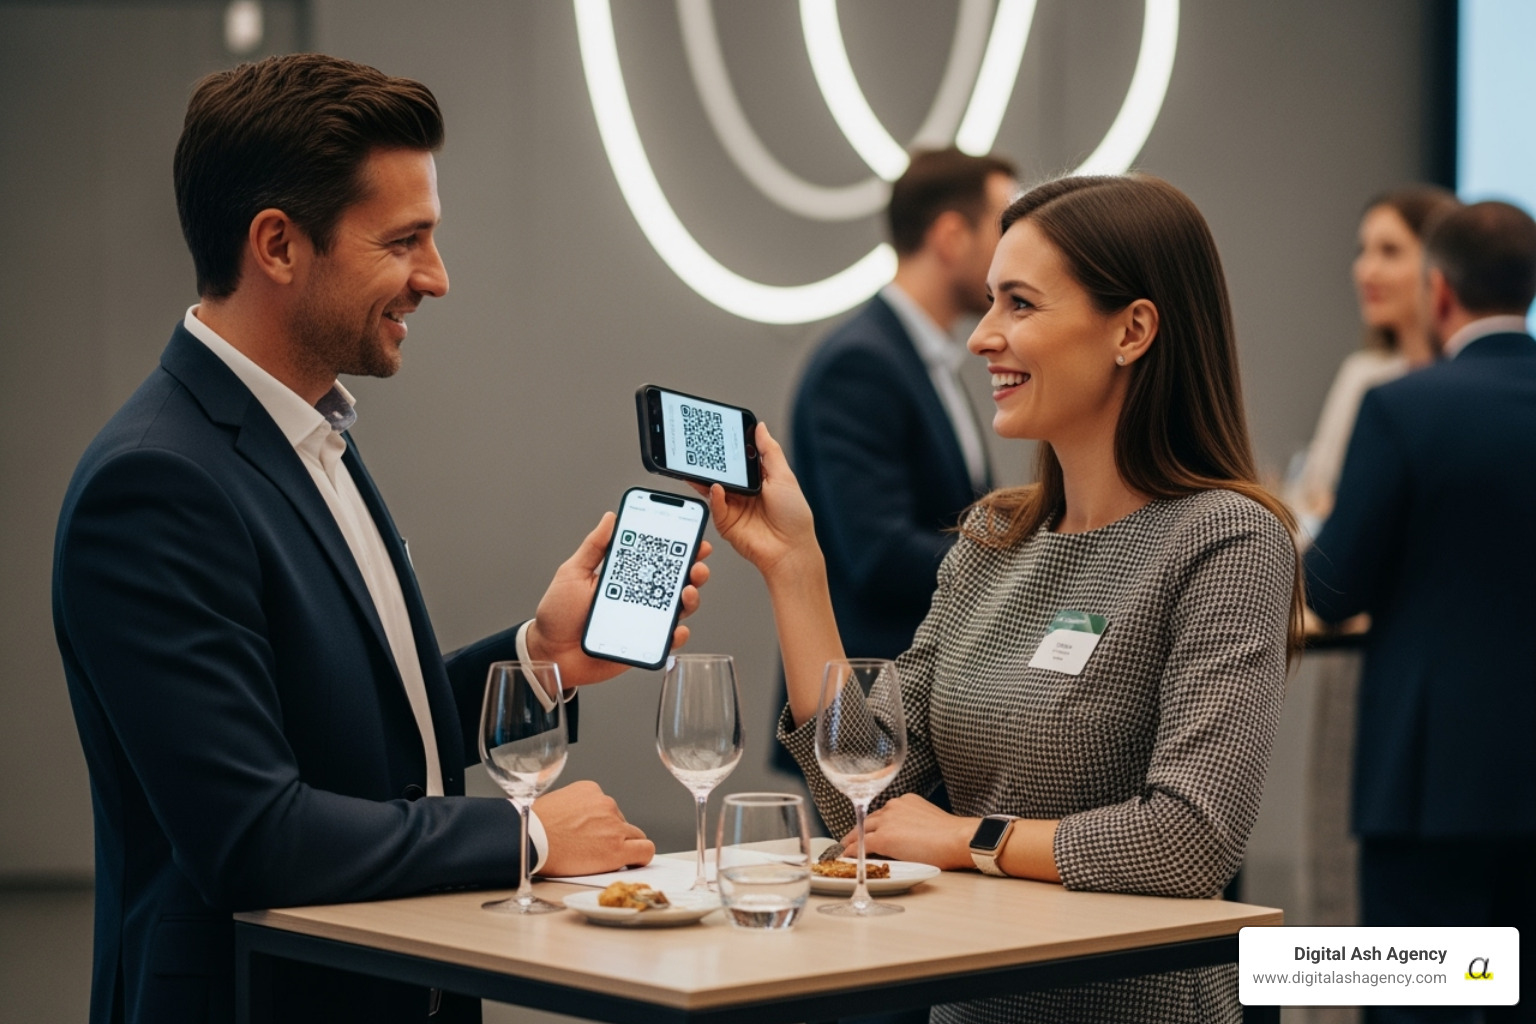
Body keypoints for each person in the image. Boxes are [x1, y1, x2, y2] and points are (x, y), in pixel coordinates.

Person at [51, 54, 708, 1024]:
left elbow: (347, 739)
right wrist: (523, 834)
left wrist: (539, 660)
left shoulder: (311, 429)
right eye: (405, 241)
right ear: (277, 244)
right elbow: (253, 836)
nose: (435, 279)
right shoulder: (153, 484)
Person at [708, 174, 1302, 1024]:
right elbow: (863, 796)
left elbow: (1189, 839)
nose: (984, 336)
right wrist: (794, 567)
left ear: (1133, 330)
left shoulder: (1228, 540)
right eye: (988, 302)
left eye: (1019, 304)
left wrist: (963, 837)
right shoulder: (994, 536)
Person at [1305, 200, 1536, 1024]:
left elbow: (1332, 592)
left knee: (1421, 1008)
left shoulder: (1407, 409)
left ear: (1439, 292)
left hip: (1431, 779)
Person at [774, 148, 1015, 774]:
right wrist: (1021, 571)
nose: (1016, 253)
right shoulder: (863, 363)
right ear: (951, 235)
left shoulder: (929, 360)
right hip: (866, 715)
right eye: (1004, 228)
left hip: (924, 709)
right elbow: (878, 552)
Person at [1287, 186, 1459, 533]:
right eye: (1362, 251)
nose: (1366, 271)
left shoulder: (1466, 385)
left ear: (1439, 267)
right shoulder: (1362, 374)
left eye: (1390, 252)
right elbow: (1313, 497)